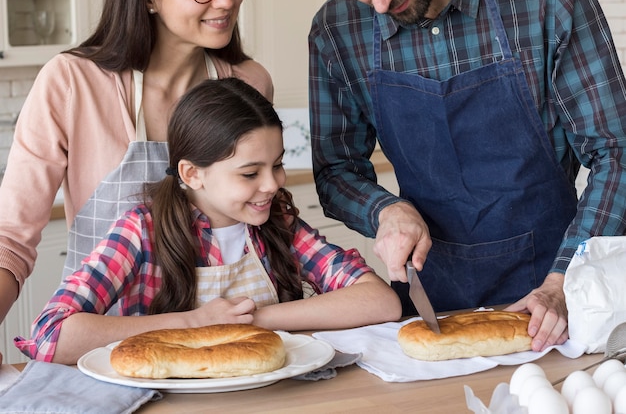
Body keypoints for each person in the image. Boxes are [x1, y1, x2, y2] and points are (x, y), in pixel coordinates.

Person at [308, 0, 626, 352]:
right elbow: (336, 170)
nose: (379, 4)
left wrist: (565, 281)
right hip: (431, 299)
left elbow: (617, 152)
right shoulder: (338, 27)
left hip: (554, 296)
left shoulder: (550, 4)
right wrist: (386, 211)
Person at [14, 77, 402, 365]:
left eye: (278, 164)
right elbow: (52, 335)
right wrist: (194, 323)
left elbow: (380, 302)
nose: (272, 184)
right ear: (192, 173)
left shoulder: (277, 224)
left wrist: (251, 319)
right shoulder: (141, 231)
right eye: (250, 173)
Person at [0, 0, 273, 344]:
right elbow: (10, 237)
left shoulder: (249, 84)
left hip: (217, 343)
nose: (227, 1)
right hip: (101, 346)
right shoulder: (72, 81)